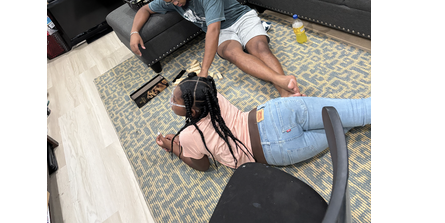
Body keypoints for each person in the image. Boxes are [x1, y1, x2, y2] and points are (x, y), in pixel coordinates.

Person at [129, 0, 301, 97]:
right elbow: (145, 9)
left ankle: (287, 94)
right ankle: (283, 82)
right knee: (232, 54)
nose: (174, 4)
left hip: (241, 19)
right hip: (224, 32)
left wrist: (204, 71)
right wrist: (134, 32)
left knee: (259, 48)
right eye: (169, 2)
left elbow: (213, 30)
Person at [155, 73, 371, 171]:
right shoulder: (212, 97)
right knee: (356, 111)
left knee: (341, 126)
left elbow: (202, 165)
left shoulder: (189, 136)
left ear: (192, 110)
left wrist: (174, 147)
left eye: (174, 100)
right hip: (275, 111)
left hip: (275, 148)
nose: (171, 102)